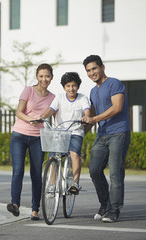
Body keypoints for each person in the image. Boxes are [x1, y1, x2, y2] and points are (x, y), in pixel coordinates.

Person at [81, 55, 131, 223]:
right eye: (88, 70)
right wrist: (80, 134)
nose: (92, 73)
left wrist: (94, 120)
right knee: (94, 170)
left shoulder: (114, 83)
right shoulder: (93, 91)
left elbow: (117, 107)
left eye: (94, 68)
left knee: (116, 173)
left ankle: (114, 210)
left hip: (118, 133)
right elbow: (92, 115)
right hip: (102, 134)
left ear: (102, 67)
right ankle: (105, 205)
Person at [7, 63, 55, 221]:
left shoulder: (52, 97)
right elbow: (19, 112)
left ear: (51, 77)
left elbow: (55, 116)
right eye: (41, 76)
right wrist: (31, 119)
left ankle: (35, 210)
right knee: (18, 170)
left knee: (36, 174)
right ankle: (15, 204)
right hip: (19, 135)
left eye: (47, 76)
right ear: (36, 76)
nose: (44, 79)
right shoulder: (28, 90)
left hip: (38, 138)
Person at [40, 72, 91, 195]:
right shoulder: (59, 97)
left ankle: (75, 183)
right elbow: (51, 110)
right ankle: (52, 185)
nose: (71, 88)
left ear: (78, 86)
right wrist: (42, 116)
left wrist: (87, 117)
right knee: (53, 157)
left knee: (74, 154)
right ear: (64, 87)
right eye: (68, 86)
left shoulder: (83, 98)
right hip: (59, 133)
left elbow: (87, 110)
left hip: (75, 132)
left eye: (73, 85)